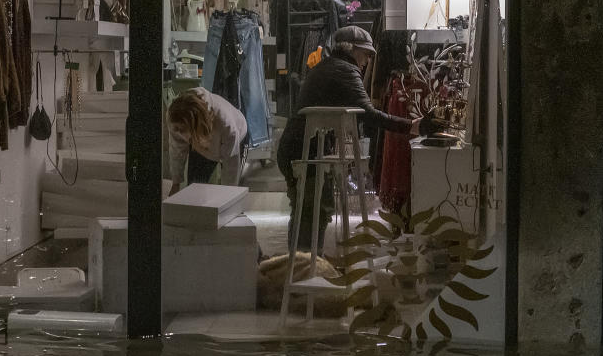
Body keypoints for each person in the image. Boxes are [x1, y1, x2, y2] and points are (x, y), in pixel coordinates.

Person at [277, 25, 447, 252]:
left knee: (308, 209)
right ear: (350, 49)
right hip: (305, 150)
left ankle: (306, 265)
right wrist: (412, 126)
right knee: (313, 209)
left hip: (296, 147)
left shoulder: (327, 66)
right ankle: (305, 266)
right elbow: (370, 114)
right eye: (365, 53)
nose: (367, 61)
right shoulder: (345, 70)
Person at [168, 87, 248, 196]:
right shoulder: (174, 115)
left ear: (195, 125)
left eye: (182, 129)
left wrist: (227, 199)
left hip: (237, 133)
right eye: (177, 129)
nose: (178, 132)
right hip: (200, 139)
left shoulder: (226, 125)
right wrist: (176, 183)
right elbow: (177, 149)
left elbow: (230, 169)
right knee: (195, 188)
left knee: (229, 191)